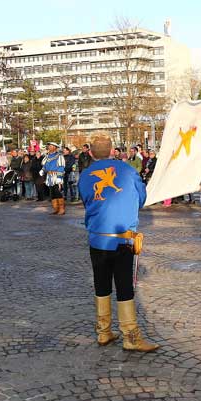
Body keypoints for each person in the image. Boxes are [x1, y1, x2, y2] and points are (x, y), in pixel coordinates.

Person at [79, 132, 158, 352]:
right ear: (113, 151)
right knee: (124, 287)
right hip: (122, 239)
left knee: (101, 284)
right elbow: (141, 198)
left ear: (92, 153)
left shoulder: (85, 175)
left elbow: (86, 201)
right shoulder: (128, 170)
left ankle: (103, 332)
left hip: (97, 238)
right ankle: (130, 336)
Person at [42, 142, 66, 215]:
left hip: (56, 175)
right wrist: (43, 170)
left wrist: (59, 177)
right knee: (52, 193)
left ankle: (61, 209)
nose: (49, 147)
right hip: (49, 176)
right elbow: (45, 165)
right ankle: (56, 208)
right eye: (49, 146)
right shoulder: (47, 156)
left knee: (57, 192)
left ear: (55, 147)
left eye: (51, 146)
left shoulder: (59, 156)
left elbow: (61, 167)